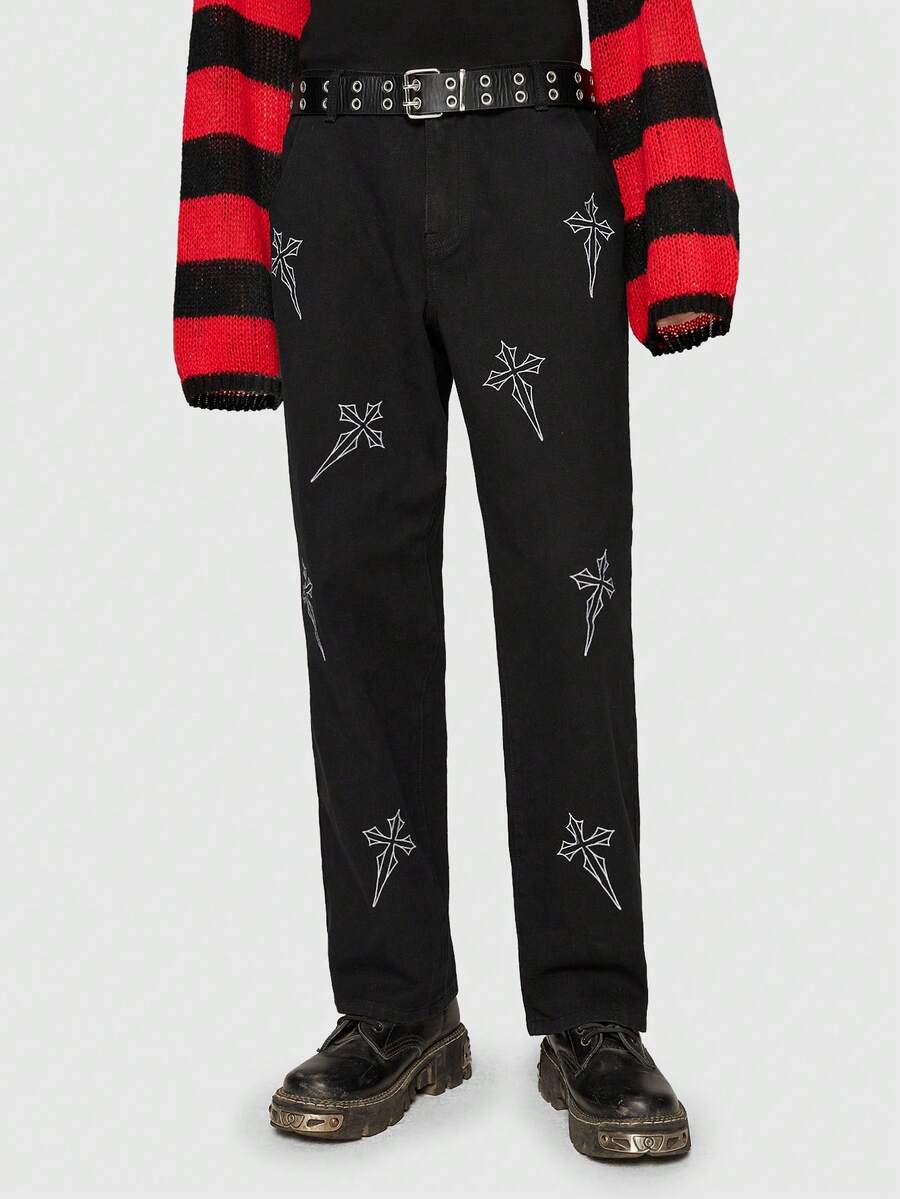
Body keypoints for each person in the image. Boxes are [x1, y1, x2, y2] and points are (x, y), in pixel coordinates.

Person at [174, 0, 738, 1160]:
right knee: (353, 593)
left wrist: (679, 228)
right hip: (333, 173)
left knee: (570, 588)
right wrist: (225, 288)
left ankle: (593, 1008)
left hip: (540, 165)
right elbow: (234, 24)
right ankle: (396, 1001)